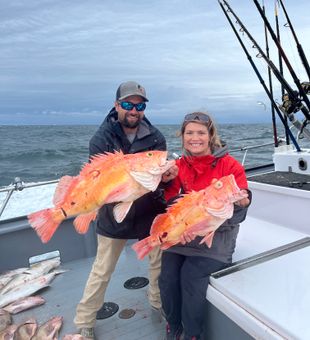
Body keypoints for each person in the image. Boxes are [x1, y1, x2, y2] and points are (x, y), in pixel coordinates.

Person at [74, 81, 178, 339]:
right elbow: (96, 180)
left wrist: (165, 179)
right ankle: (84, 321)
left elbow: (158, 178)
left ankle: (157, 302)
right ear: (116, 105)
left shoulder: (156, 138)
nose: (134, 110)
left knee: (158, 264)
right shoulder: (101, 138)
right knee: (102, 269)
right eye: (128, 104)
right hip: (113, 214)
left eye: (140, 105)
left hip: (149, 212)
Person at [159, 111, 251, 340]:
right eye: (189, 132)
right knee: (167, 277)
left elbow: (241, 205)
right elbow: (170, 202)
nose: (195, 137)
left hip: (218, 237)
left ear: (210, 136)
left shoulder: (230, 165)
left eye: (201, 132)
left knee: (191, 277)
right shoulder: (178, 166)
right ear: (182, 137)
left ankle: (193, 334)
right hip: (185, 234)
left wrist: (243, 200)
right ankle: (173, 325)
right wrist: (163, 183)